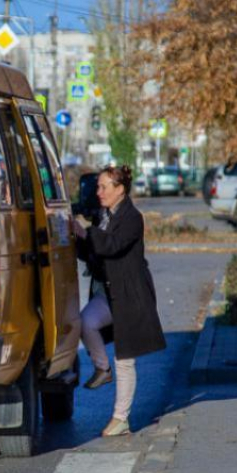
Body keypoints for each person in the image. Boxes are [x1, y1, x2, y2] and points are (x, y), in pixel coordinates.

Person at [72, 165, 166, 437]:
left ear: (120, 189)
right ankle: (102, 369)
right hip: (109, 293)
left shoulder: (131, 217)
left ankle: (121, 418)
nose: (98, 192)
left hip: (129, 295)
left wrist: (86, 233)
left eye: (104, 187)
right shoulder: (104, 214)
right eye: (98, 186)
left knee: (126, 359)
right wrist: (76, 239)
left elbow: (111, 246)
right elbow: (92, 252)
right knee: (85, 321)